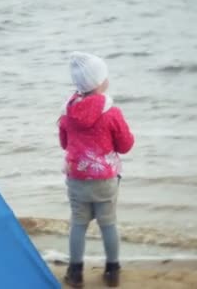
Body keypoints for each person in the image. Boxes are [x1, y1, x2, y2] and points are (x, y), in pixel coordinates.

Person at [58, 51, 135, 287]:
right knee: (108, 223)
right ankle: (112, 270)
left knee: (78, 223)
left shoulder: (67, 112)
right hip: (105, 180)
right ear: (100, 82)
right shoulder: (112, 113)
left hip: (77, 178)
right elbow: (125, 145)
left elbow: (64, 143)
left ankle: (75, 272)